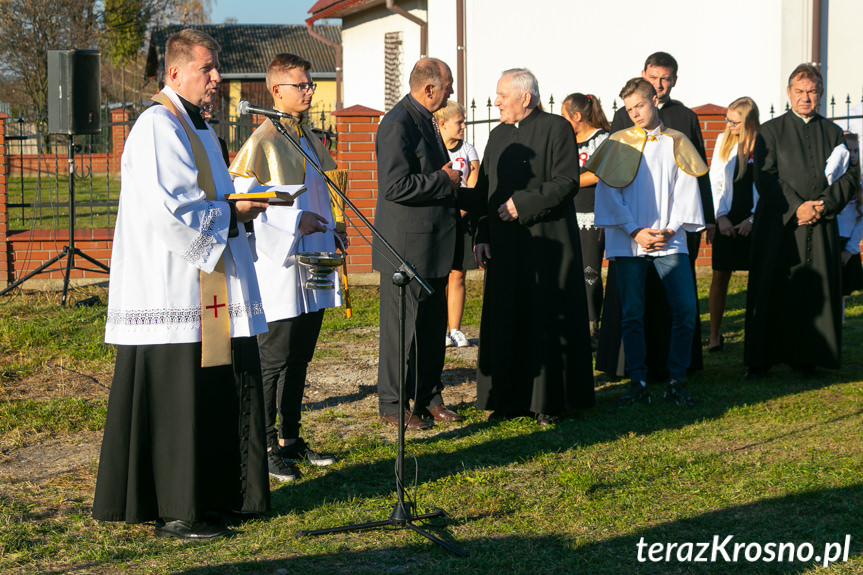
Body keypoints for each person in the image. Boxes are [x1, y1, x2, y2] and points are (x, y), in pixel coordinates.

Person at [93, 29, 272, 540]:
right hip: (171, 291)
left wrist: (241, 204)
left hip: (205, 290)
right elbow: (174, 210)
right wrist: (233, 213)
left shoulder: (197, 128)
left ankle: (214, 498)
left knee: (212, 391)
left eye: (216, 70)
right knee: (179, 405)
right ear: (175, 73)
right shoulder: (157, 126)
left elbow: (206, 196)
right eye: (208, 69)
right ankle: (177, 510)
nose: (218, 79)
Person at [229, 53, 342, 482]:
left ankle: (291, 439)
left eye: (310, 84)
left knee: (301, 356)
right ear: (277, 90)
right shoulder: (262, 140)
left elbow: (320, 192)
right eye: (303, 85)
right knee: (274, 359)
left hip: (312, 255)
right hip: (278, 264)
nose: (310, 90)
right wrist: (295, 220)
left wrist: (332, 228)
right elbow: (246, 200)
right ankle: (265, 442)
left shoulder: (306, 137)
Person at [474, 68, 595, 425]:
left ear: (525, 98)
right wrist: (482, 234)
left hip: (547, 242)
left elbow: (566, 182)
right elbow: (486, 192)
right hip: (504, 247)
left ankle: (548, 402)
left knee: (544, 319)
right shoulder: (497, 136)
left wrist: (521, 204)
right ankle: (507, 399)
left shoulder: (556, 129)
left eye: (502, 95)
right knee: (506, 317)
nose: (496, 102)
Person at [589, 77, 706, 408]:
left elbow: (687, 188)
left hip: (670, 242)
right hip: (630, 244)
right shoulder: (618, 142)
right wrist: (634, 230)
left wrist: (669, 229)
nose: (635, 113)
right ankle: (638, 381)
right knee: (632, 313)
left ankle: (676, 380)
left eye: (639, 105)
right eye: (628, 109)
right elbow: (608, 192)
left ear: (654, 99)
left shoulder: (677, 141)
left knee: (684, 310)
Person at [744, 63, 858, 377]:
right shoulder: (770, 130)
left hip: (820, 225)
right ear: (788, 93)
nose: (805, 98)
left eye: (811, 91)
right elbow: (764, 176)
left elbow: (850, 176)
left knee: (813, 290)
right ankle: (762, 359)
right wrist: (797, 208)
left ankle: (808, 356)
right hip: (779, 225)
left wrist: (822, 205)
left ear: (820, 93)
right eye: (799, 91)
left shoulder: (834, 132)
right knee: (773, 287)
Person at [373, 58, 466, 430]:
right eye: (448, 86)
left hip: (433, 245)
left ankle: (428, 396)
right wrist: (445, 180)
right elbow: (395, 186)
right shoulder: (397, 124)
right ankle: (393, 404)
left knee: (430, 328)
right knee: (401, 330)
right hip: (405, 248)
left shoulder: (424, 118)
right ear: (430, 89)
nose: (452, 93)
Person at [707, 97, 760, 351]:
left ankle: (755, 333)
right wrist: (720, 216)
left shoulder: (763, 142)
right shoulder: (722, 141)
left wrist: (753, 219)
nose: (729, 125)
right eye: (727, 120)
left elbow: (769, 185)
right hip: (727, 218)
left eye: (735, 121)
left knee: (758, 279)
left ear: (749, 121)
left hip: (753, 219)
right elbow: (715, 181)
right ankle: (715, 336)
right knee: (720, 277)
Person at [561, 92, 610, 349]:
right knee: (569, 270)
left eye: (564, 116)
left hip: (591, 215)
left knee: (590, 272)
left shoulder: (602, 139)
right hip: (568, 212)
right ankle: (573, 322)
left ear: (577, 116)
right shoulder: (568, 139)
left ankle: (593, 324)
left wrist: (566, 183)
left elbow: (599, 174)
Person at [433, 99, 480, 349]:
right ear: (443, 124)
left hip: (462, 219)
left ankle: (455, 329)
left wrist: (460, 212)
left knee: (457, 274)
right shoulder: (434, 149)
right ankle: (439, 328)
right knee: (438, 275)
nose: (463, 126)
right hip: (439, 220)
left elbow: (473, 182)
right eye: (459, 122)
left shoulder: (468, 150)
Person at [837, 132, 863, 314]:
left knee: (841, 293)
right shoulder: (831, 181)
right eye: (848, 150)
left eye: (856, 151)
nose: (852, 155)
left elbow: (861, 221)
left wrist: (850, 249)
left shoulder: (860, 185)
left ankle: (838, 329)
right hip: (829, 241)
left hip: (847, 244)